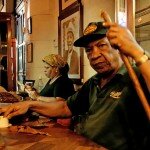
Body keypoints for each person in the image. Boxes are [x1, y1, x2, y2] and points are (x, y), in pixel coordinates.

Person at [0, 21, 150, 149]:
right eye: (89, 50)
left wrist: (136, 51)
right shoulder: (94, 82)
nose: (95, 54)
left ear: (118, 48)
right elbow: (66, 107)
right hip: (83, 144)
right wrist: (30, 105)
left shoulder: (136, 76)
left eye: (102, 45)